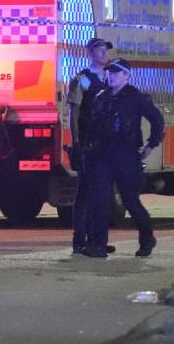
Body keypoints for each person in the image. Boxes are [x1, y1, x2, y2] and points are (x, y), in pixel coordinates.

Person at [83, 58, 165, 258]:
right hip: (103, 156)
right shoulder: (102, 97)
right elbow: (91, 125)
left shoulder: (135, 98)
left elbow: (157, 119)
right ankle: (98, 245)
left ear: (127, 76)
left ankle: (147, 238)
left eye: (117, 72)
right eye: (110, 72)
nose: (112, 75)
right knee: (100, 200)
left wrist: (151, 144)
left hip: (126, 156)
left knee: (130, 200)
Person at [66, 37, 115, 255]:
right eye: (100, 50)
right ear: (90, 54)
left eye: (106, 50)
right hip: (87, 142)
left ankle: (97, 239)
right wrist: (76, 142)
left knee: (101, 192)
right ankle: (80, 240)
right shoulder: (83, 79)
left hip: (105, 143)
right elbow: (74, 112)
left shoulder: (109, 78)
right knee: (85, 193)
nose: (104, 54)